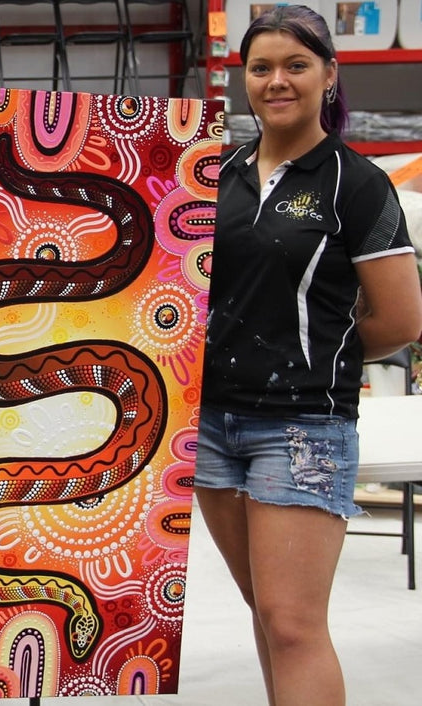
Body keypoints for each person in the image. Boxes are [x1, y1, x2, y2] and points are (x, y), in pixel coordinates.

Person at [195, 6, 422, 706]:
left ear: (329, 74)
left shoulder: (357, 183)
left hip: (301, 427)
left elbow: (400, 320)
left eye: (296, 65)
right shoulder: (216, 174)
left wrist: (315, 356)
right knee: (268, 614)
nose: (277, 81)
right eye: (261, 67)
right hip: (209, 426)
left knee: (294, 625)